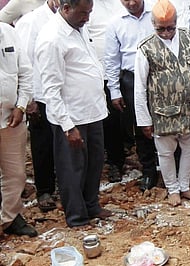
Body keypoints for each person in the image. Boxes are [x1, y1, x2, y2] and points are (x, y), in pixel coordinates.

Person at [35, 0, 113, 227]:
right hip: (71, 117)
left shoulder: (78, 26)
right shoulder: (52, 38)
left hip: (93, 110)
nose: (87, 18)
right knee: (72, 169)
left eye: (89, 13)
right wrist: (68, 126)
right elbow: (50, 88)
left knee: (95, 163)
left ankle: (92, 205)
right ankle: (77, 217)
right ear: (66, 8)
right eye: (83, 13)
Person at [134, 0, 190, 206]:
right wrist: (144, 120)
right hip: (163, 113)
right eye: (161, 29)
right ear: (153, 24)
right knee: (165, 153)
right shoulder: (145, 48)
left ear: (176, 22)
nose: (166, 32)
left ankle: (184, 186)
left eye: (170, 27)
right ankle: (172, 189)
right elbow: (139, 87)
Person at [104, 0, 159, 190]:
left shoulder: (157, 12)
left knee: (166, 120)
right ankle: (149, 171)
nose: (132, 2)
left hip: (159, 76)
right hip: (132, 79)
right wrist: (114, 90)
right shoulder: (115, 22)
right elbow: (111, 60)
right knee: (141, 124)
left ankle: (172, 169)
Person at [15, 0, 60, 213]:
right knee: (43, 145)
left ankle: (64, 186)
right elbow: (24, 63)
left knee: (62, 142)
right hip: (40, 95)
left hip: (62, 93)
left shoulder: (71, 19)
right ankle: (45, 190)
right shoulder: (31, 22)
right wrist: (29, 99)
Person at [0, 22, 37, 237]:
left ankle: (10, 218)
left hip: (11, 117)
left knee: (16, 174)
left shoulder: (9, 33)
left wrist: (22, 105)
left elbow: (25, 72)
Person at [88, 0, 129, 184]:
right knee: (109, 121)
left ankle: (127, 155)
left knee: (128, 118)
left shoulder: (121, 5)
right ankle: (114, 163)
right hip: (99, 74)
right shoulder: (88, 6)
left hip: (126, 71)